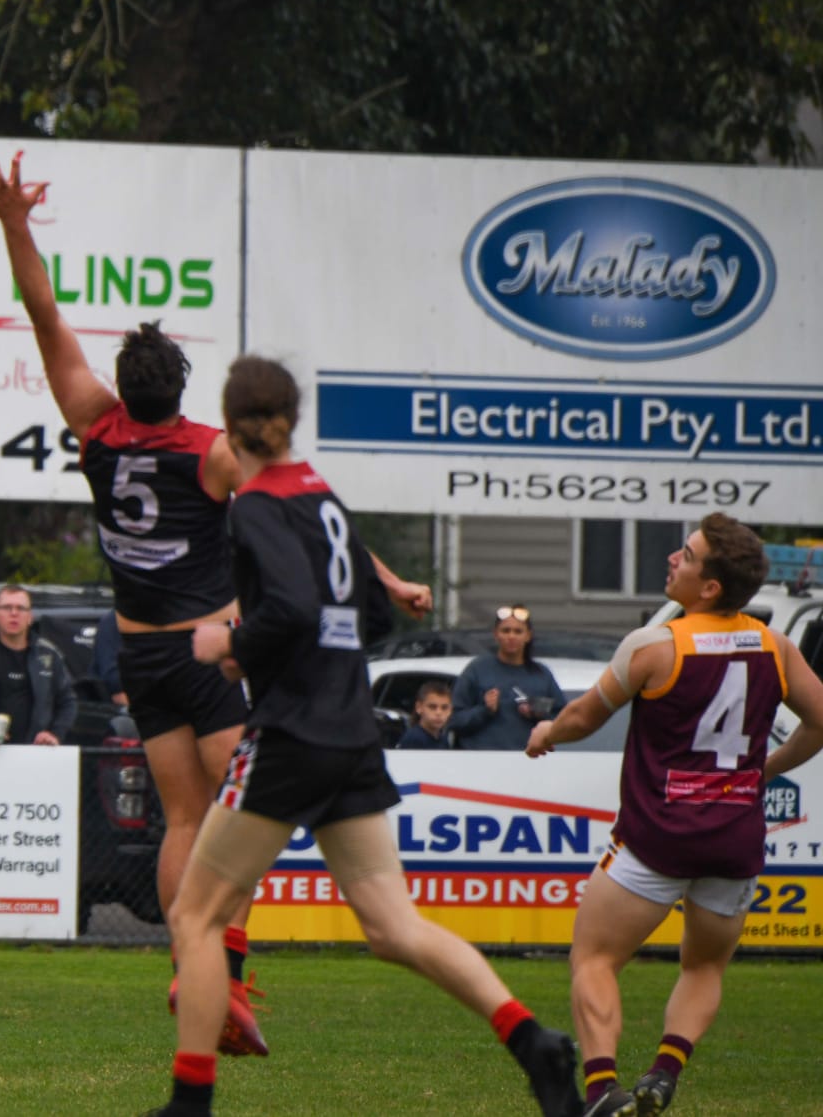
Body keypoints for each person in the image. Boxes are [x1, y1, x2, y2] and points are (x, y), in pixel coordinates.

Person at [0, 154, 431, 1056]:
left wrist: (15, 221)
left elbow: (42, 311)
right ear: (183, 390)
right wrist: (387, 581)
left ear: (121, 384)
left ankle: (188, 959)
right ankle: (217, 963)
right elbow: (303, 516)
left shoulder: (92, 426)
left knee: (187, 817)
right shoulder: (213, 453)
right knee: (245, 811)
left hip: (141, 653)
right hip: (217, 651)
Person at [156, 356, 580, 1117]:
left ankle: (190, 1104)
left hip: (290, 733)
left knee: (196, 915)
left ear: (229, 422)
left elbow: (285, 608)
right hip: (350, 731)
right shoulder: (322, 494)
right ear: (291, 417)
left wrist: (229, 645)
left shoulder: (253, 505)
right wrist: (298, 640)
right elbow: (376, 616)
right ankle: (533, 1040)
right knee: (393, 926)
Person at [526, 513, 823, 1116]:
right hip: (733, 839)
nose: (672, 559)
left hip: (655, 839)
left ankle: (602, 1089)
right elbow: (821, 721)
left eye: (686, 555)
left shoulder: (656, 645)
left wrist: (546, 732)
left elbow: (584, 717)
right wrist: (763, 770)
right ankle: (665, 1070)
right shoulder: (776, 647)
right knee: (705, 964)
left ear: (709, 586)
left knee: (595, 958)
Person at [0, 584, 78, 746]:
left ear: (30, 617)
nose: (14, 613)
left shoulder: (48, 653)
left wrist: (54, 734)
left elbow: (68, 701)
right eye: (7, 607)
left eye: (21, 608)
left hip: (33, 753)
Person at [451, 605, 568, 750]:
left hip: (529, 761)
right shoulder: (477, 669)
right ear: (496, 634)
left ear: (528, 636)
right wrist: (484, 711)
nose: (511, 636)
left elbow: (563, 720)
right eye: (505, 631)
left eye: (518, 631)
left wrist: (537, 713)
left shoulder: (541, 674)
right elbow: (454, 721)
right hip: (482, 762)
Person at [395, 679, 454, 749]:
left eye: (444, 708)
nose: (439, 713)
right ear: (419, 707)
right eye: (432, 707)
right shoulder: (414, 738)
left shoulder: (443, 739)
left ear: (450, 710)